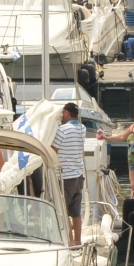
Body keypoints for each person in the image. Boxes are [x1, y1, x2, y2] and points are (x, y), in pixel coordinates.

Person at [51, 102, 89, 244]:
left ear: (66, 113)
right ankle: (78, 241)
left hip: (65, 176)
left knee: (63, 209)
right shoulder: (82, 129)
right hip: (78, 175)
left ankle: (70, 240)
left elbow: (52, 149)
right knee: (76, 212)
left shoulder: (62, 130)